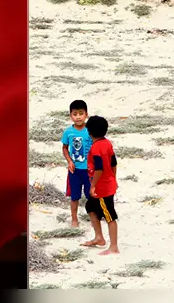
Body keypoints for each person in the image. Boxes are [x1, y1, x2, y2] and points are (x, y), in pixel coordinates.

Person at [79, 115, 119, 255]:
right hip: (108, 183)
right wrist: (114, 178)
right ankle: (99, 237)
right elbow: (113, 162)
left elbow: (99, 169)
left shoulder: (96, 148)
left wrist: (93, 186)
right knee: (90, 207)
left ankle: (114, 247)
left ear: (89, 132)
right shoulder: (107, 143)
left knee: (109, 216)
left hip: (102, 188)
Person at [61, 99, 93, 227]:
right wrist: (69, 161)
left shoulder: (90, 130)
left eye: (81, 113)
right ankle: (74, 219)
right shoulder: (68, 132)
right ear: (70, 116)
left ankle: (94, 217)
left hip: (89, 170)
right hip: (74, 170)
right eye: (75, 114)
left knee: (91, 195)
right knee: (74, 196)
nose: (78, 117)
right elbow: (64, 148)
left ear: (86, 114)